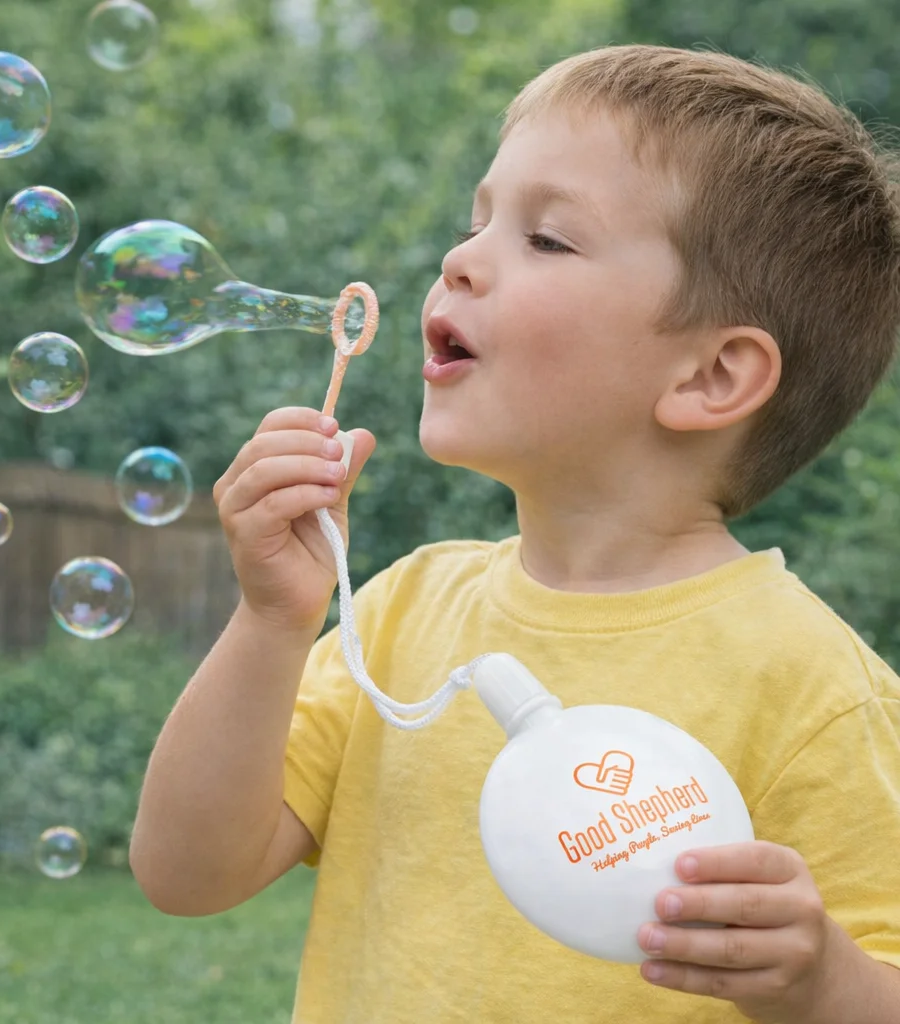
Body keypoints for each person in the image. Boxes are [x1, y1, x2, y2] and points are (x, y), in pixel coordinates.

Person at [129, 44, 900, 1023]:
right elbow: (186, 871)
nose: (458, 260)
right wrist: (272, 622)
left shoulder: (811, 685)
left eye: (546, 240)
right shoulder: (404, 613)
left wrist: (822, 975)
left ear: (710, 377)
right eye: (476, 221)